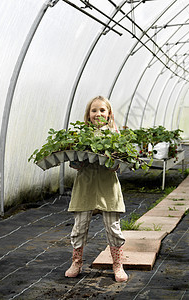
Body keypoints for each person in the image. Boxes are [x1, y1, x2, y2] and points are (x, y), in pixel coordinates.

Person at [65, 96, 128, 282]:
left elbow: (119, 166)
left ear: (109, 114)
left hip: (107, 186)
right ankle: (76, 262)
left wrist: (111, 161)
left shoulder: (115, 136)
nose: (98, 114)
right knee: (79, 227)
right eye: (94, 111)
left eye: (102, 110)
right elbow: (74, 165)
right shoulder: (81, 135)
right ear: (88, 115)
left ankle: (118, 265)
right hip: (85, 186)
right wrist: (79, 158)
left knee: (113, 228)